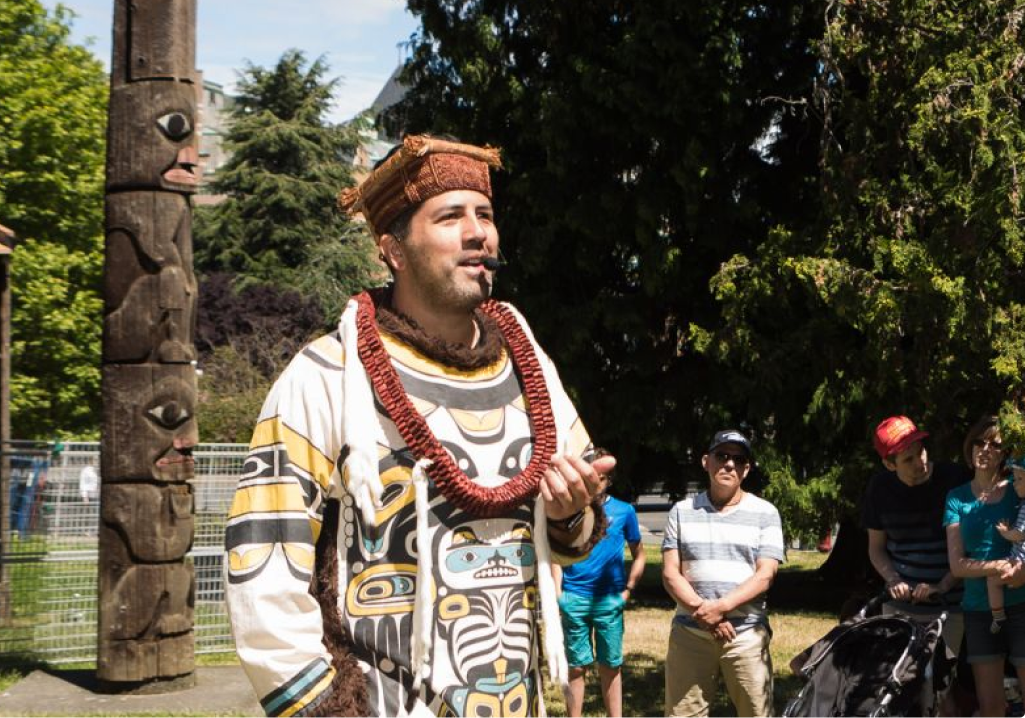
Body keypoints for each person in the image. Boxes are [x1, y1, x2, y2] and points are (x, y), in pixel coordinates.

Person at [224, 134, 615, 718]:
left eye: (485, 214)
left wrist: (569, 513)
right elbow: (262, 562)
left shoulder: (532, 366)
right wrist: (325, 709)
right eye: (450, 216)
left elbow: (577, 540)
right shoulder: (328, 374)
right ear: (393, 250)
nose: (478, 231)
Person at [662, 429, 784, 718]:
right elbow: (670, 573)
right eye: (722, 456)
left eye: (738, 459)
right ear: (706, 461)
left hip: (745, 635)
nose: (729, 464)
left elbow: (765, 575)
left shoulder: (765, 512)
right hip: (690, 631)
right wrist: (703, 613)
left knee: (757, 714)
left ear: (747, 469)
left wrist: (720, 608)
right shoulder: (681, 511)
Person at [551, 448, 645, 718]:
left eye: (601, 476)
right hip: (574, 598)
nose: (595, 480)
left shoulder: (625, 511)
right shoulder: (569, 509)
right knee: (577, 667)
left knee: (610, 666)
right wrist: (559, 593)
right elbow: (557, 554)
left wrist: (628, 591)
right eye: (589, 473)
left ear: (609, 479)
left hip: (609, 600)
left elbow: (639, 554)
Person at [862, 415, 968, 653]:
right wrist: (893, 579)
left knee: (941, 682)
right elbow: (876, 547)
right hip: (900, 604)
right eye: (908, 459)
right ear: (890, 465)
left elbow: (970, 545)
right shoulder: (879, 489)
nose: (919, 463)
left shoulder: (954, 478)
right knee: (895, 678)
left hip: (949, 605)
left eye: (921, 452)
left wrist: (943, 585)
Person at [944, 415, 1025, 718]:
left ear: (1005, 454)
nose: (985, 449)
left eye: (995, 444)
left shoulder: (1019, 491)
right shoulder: (956, 498)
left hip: (1022, 603)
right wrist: (1001, 565)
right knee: (991, 707)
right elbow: (958, 565)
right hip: (979, 610)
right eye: (979, 442)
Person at [990, 456, 1025, 632]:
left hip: (1020, 560)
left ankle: (998, 616)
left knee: (993, 579)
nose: (1015, 483)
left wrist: (1005, 533)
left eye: (1020, 479)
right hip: (1018, 558)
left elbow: (1020, 535)